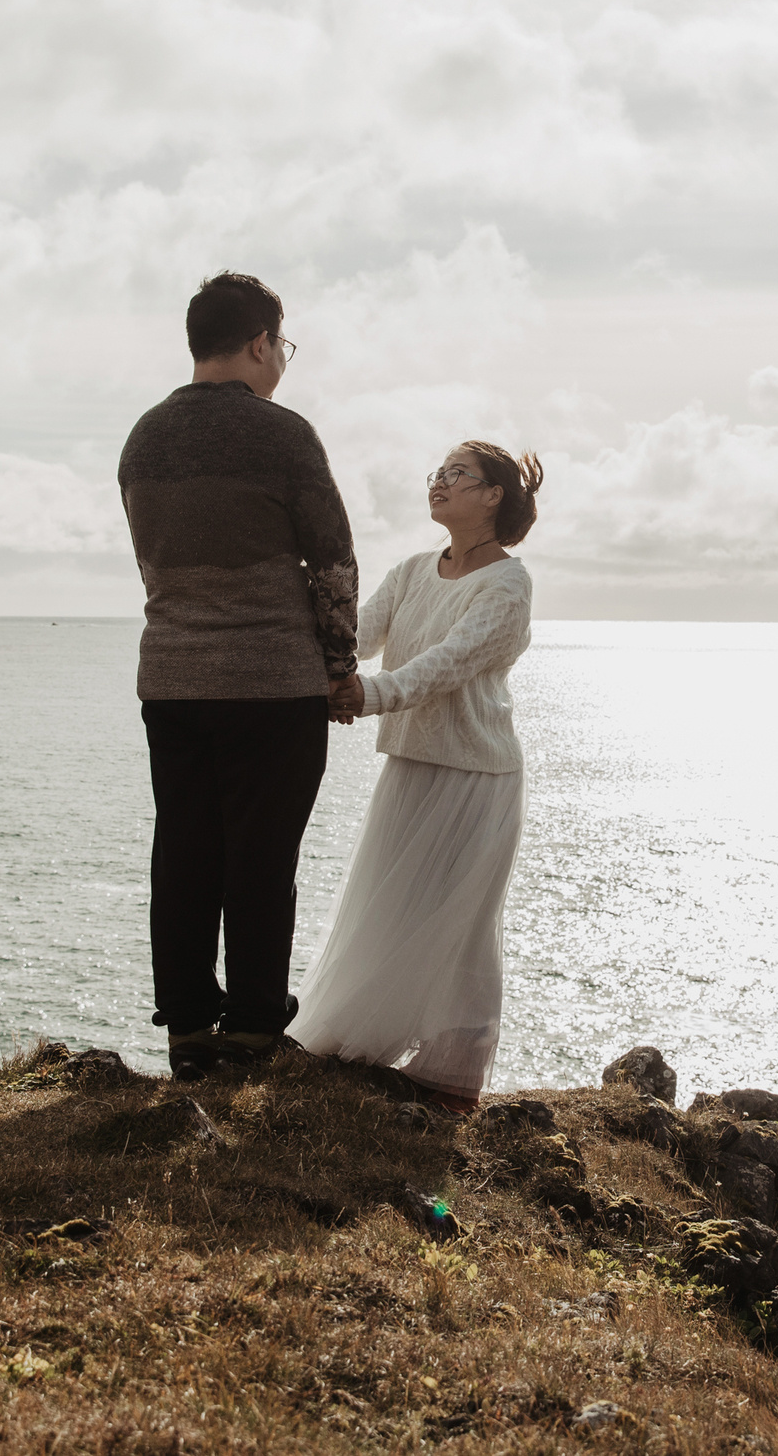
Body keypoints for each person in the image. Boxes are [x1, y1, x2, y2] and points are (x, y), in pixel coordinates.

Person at [117, 271, 363, 1080]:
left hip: (174, 679)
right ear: (260, 342)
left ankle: (187, 1027)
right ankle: (254, 1028)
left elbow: (156, 564)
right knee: (261, 859)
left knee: (183, 851)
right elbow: (331, 560)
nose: (281, 360)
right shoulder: (284, 435)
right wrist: (338, 665)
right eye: (280, 345)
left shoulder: (143, 439)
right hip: (270, 681)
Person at [296, 440, 544, 1113]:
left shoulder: (507, 584)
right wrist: (323, 671)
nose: (439, 482)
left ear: (493, 495)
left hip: (476, 775)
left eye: (456, 474)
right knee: (385, 906)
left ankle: (450, 1077)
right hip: (411, 764)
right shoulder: (411, 570)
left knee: (459, 924)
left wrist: (364, 695)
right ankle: (353, 1043)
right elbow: (357, 632)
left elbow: (448, 662)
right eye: (438, 472)